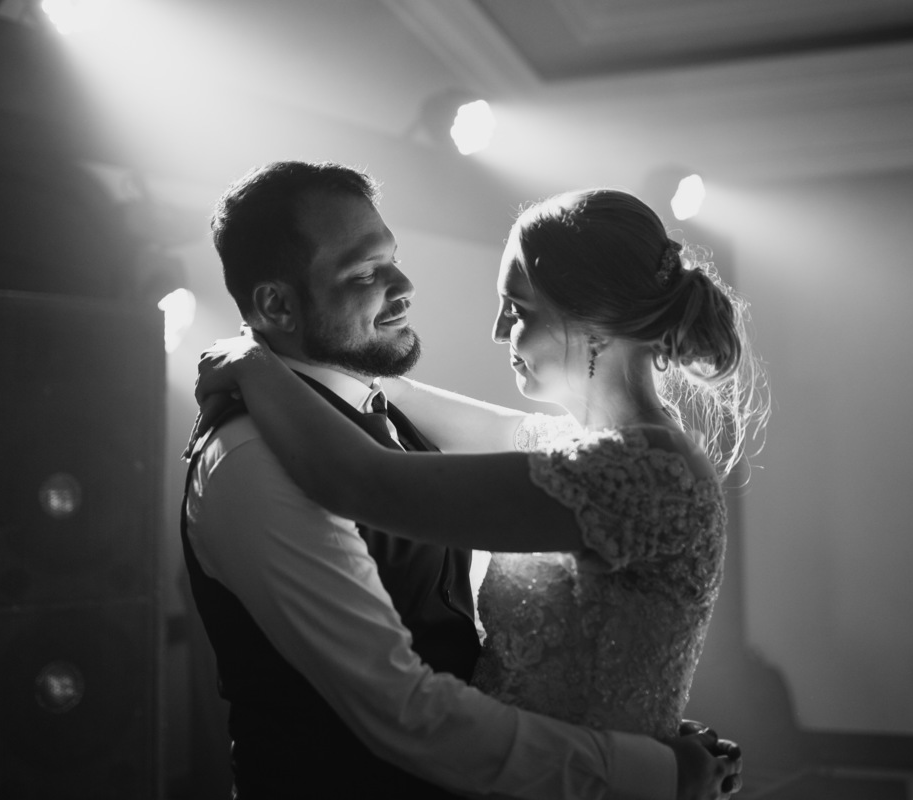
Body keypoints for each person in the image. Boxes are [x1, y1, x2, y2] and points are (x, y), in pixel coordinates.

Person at [182, 160, 746, 800]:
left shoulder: (635, 473)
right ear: (277, 302)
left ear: (594, 321)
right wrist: (634, 746)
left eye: (517, 309)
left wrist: (257, 361)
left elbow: (367, 480)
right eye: (365, 272)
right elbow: (404, 701)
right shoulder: (253, 457)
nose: (498, 329)